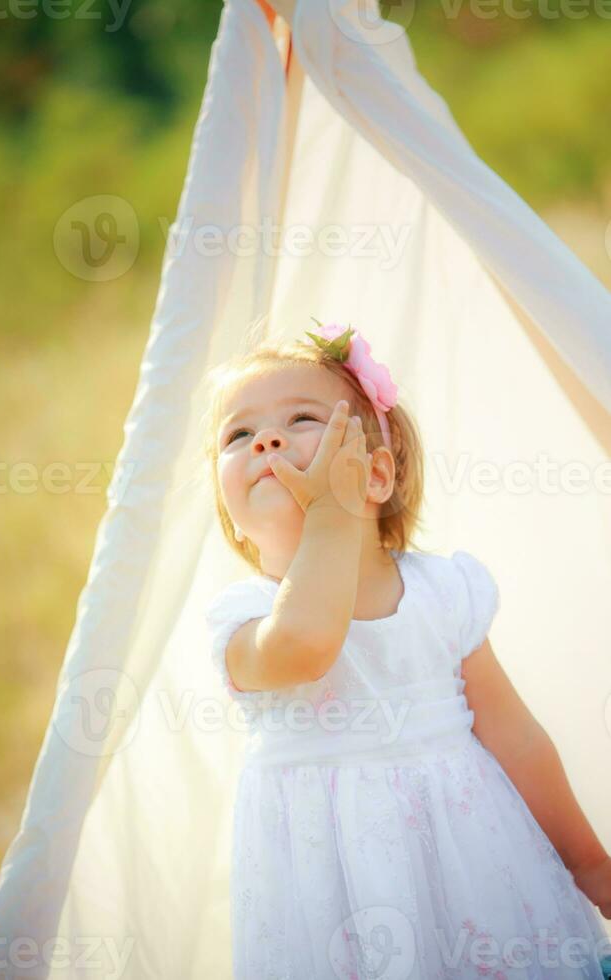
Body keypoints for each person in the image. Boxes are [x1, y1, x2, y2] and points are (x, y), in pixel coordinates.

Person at [201, 320, 611, 979]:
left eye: (303, 419)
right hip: (330, 899)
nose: (266, 440)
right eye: (238, 434)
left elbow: (518, 739)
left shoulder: (442, 593)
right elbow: (306, 645)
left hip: (474, 868)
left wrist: (588, 860)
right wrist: (331, 517)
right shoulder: (242, 619)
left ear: (377, 473)